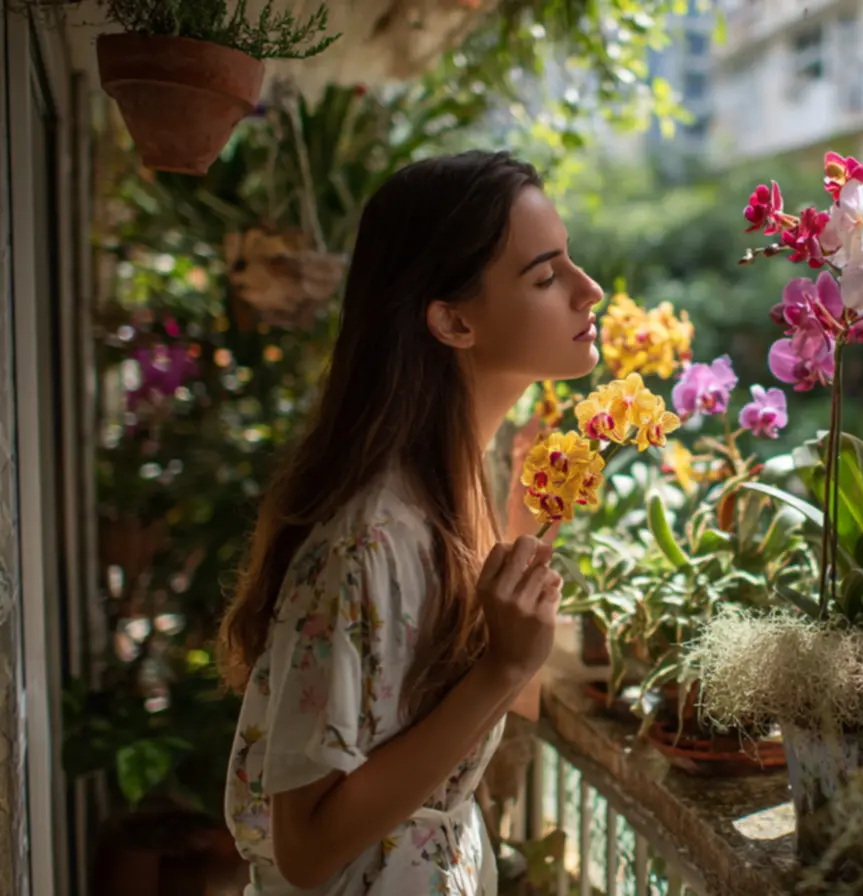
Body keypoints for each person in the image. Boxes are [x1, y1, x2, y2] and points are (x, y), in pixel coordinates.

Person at [216, 150, 603, 895]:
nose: (588, 292)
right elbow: (305, 847)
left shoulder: (464, 491)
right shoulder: (365, 543)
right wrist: (504, 666)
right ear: (454, 320)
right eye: (547, 275)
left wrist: (529, 526)